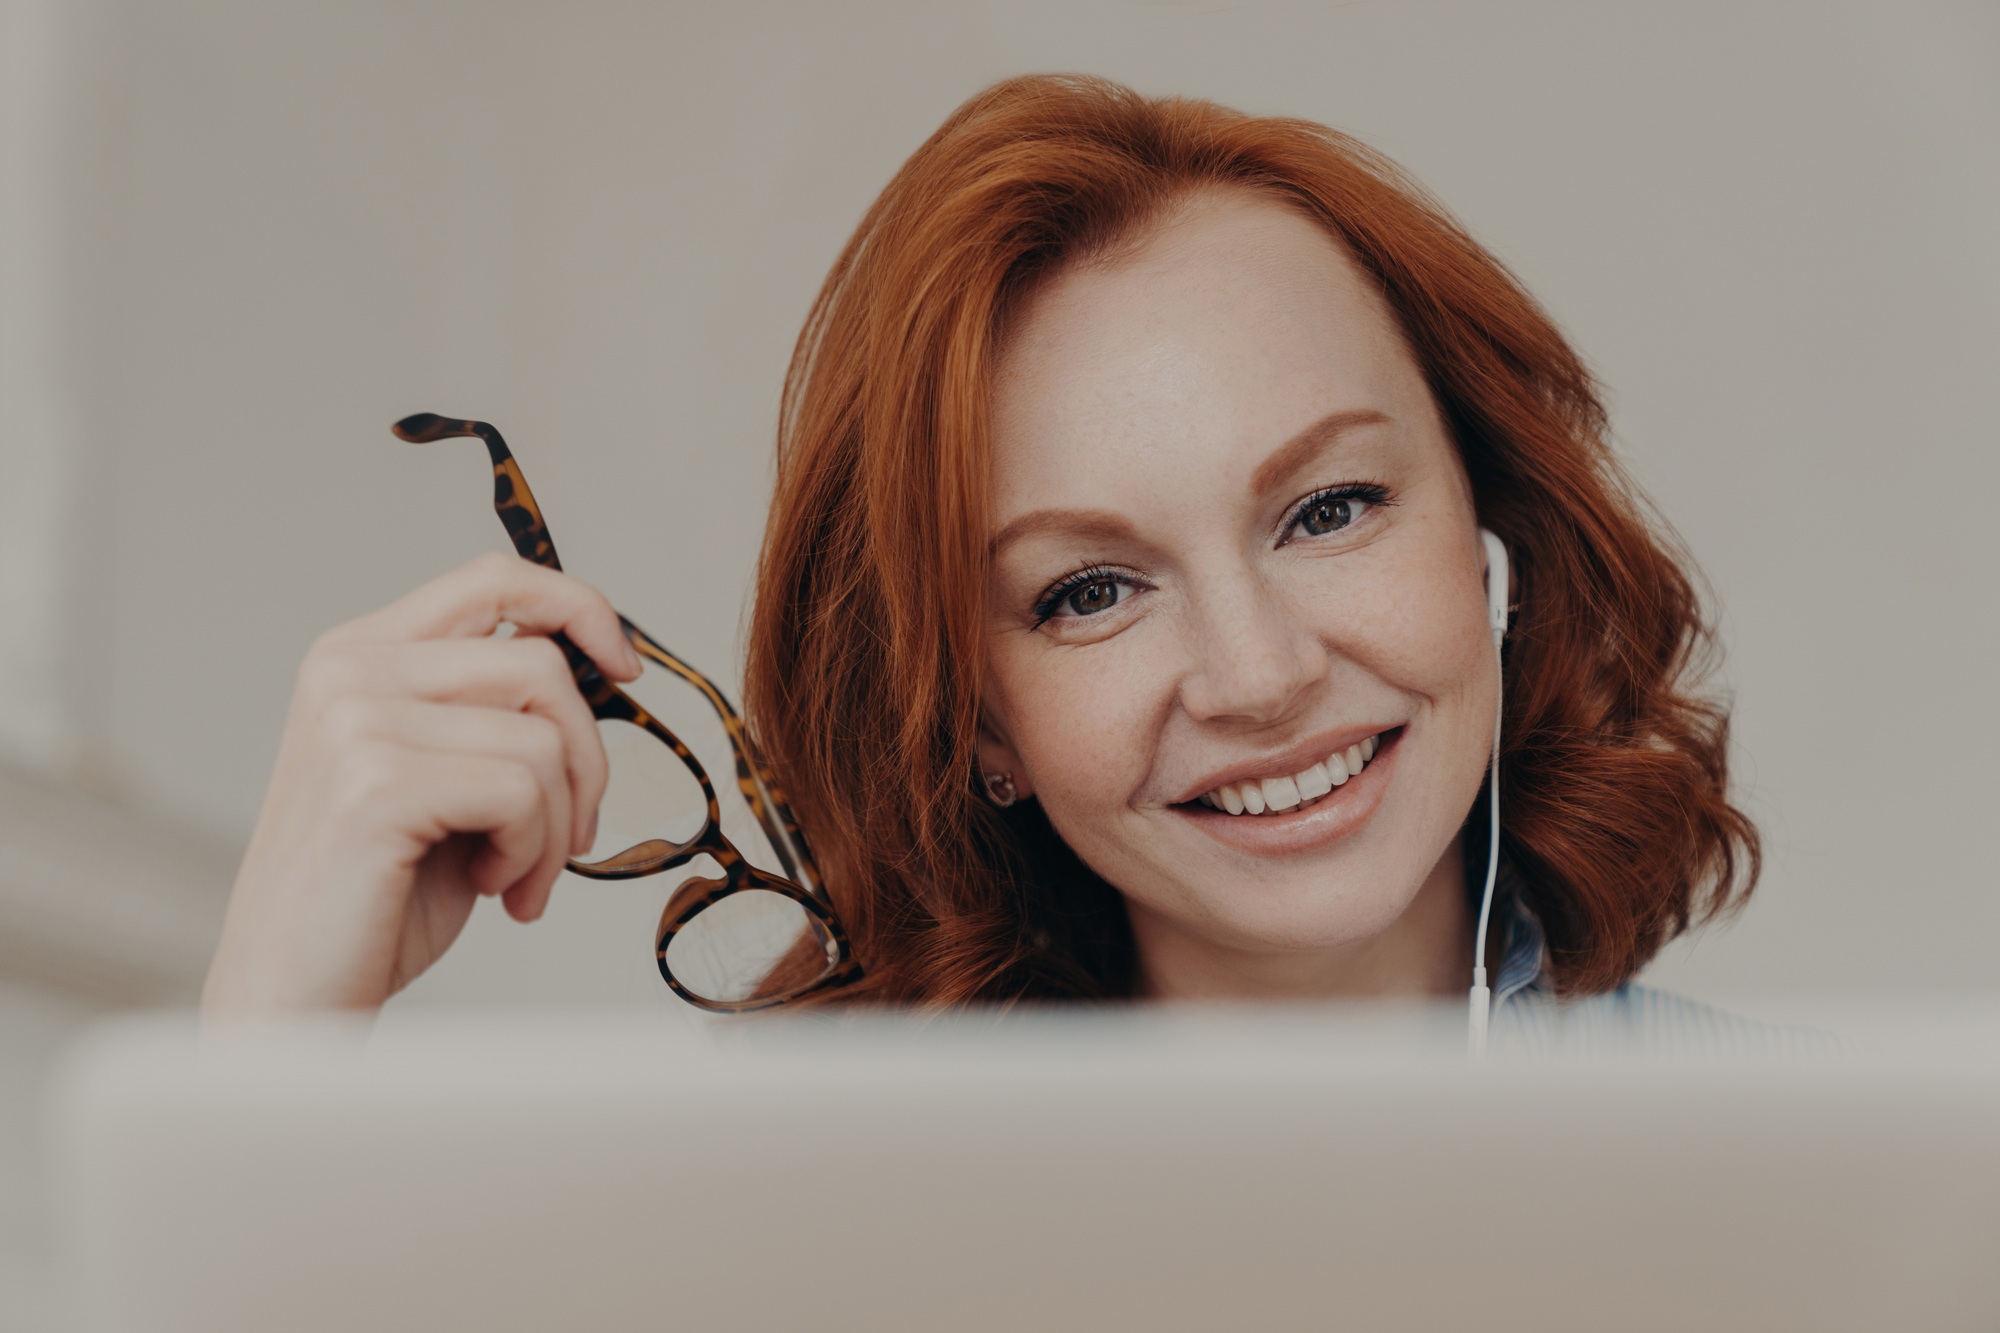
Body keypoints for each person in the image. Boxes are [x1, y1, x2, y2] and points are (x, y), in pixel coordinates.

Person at [202, 75, 1758, 1030]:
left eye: (1330, 508)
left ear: (1492, 541)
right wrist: (272, 1025)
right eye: (1090, 591)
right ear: (979, 721)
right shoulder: (767, 1252)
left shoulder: (1823, 1216)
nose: (1260, 674)